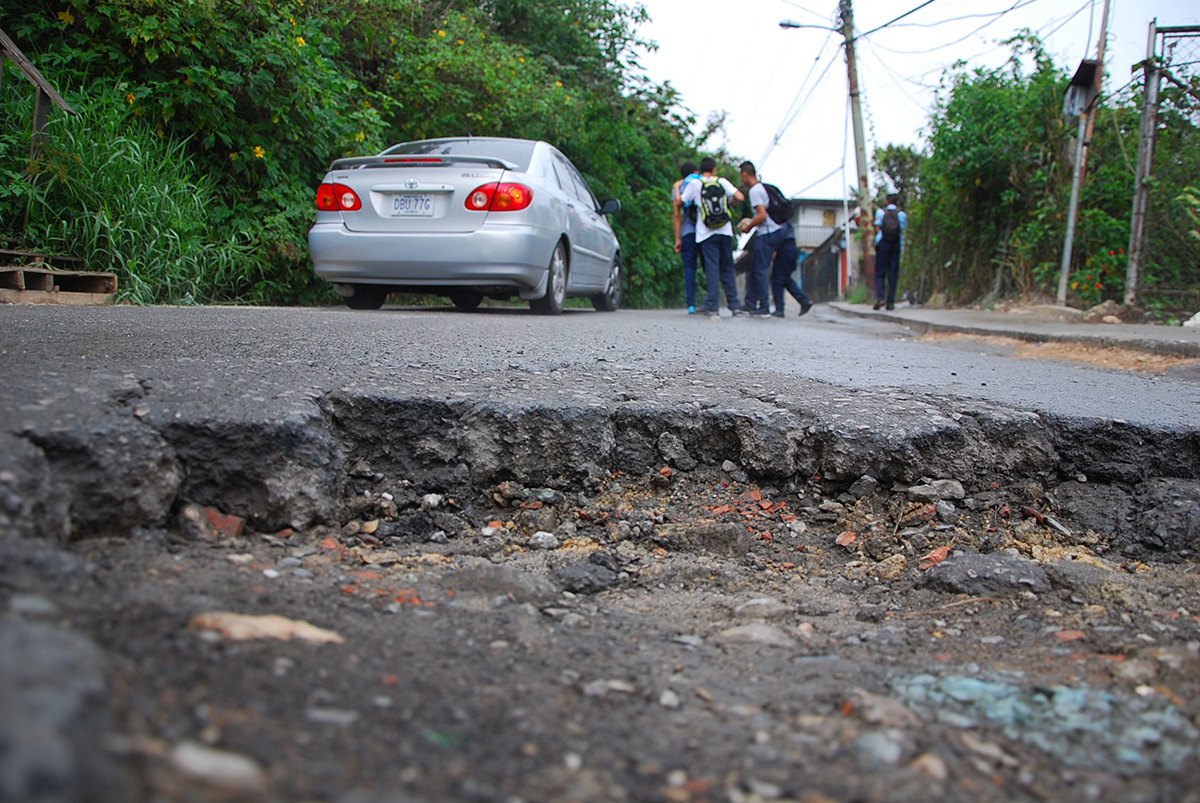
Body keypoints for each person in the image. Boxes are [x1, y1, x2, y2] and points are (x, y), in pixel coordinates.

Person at [679, 157, 745, 317]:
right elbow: (740, 197)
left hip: (706, 232)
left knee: (712, 268)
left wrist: (677, 187)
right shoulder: (722, 182)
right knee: (727, 268)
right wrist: (728, 204)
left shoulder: (696, 184)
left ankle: (713, 306)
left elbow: (681, 201)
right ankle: (735, 306)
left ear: (701, 170)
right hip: (725, 231)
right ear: (714, 169)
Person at [736, 161, 780, 316]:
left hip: (766, 234)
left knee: (760, 270)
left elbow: (762, 215)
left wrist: (748, 226)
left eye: (742, 176)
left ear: (745, 174)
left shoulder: (755, 191)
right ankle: (750, 303)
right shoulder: (763, 188)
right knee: (754, 268)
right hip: (770, 232)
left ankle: (764, 306)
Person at [672, 161, 702, 313]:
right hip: (707, 231)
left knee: (690, 267)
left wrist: (678, 239)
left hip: (688, 231)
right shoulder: (703, 181)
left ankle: (691, 304)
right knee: (710, 265)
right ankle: (713, 302)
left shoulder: (681, 187)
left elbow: (677, 215)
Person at [768, 221, 813, 317]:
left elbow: (781, 233)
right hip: (790, 248)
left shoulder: (780, 216)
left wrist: (775, 249)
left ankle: (779, 309)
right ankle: (804, 300)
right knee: (785, 279)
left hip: (785, 248)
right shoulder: (785, 216)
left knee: (778, 280)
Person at [873, 193, 907, 310]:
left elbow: (878, 228)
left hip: (883, 243)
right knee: (893, 272)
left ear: (887, 202)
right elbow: (902, 230)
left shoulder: (881, 213)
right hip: (895, 244)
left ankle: (880, 298)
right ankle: (890, 301)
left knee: (880, 272)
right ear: (897, 203)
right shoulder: (901, 215)